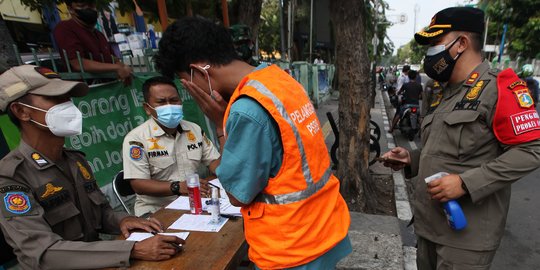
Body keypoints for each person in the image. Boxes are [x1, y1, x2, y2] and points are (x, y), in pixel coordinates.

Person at [155, 17, 351, 269]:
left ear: (198, 71)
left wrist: (219, 126)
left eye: (187, 81)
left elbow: (237, 195)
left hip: (291, 248)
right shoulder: (279, 80)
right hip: (324, 226)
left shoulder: (246, 110)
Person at [381, 7, 540, 270]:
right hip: (429, 227)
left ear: (461, 44)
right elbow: (447, 149)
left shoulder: (499, 89)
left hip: (465, 240)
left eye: (435, 43)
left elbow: (532, 150)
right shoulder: (443, 92)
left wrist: (466, 183)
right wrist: (412, 158)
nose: (430, 51)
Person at [0, 65, 184, 269]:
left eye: (68, 98)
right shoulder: (11, 176)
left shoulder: (75, 160)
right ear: (22, 111)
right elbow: (44, 252)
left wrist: (123, 220)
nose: (68, 106)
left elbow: (101, 213)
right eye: (55, 99)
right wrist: (133, 250)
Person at [122, 76, 221, 217]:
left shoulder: (194, 130)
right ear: (147, 108)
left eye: (174, 100)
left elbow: (215, 163)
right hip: (156, 210)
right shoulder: (136, 139)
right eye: (161, 102)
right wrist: (177, 187)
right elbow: (138, 184)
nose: (169, 106)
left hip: (195, 201)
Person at [53, 0, 132, 85]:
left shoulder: (99, 35)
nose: (88, 9)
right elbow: (77, 63)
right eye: (82, 5)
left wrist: (122, 67)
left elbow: (112, 58)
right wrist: (116, 67)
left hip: (108, 90)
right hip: (85, 92)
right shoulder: (65, 28)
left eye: (91, 5)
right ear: (71, 9)